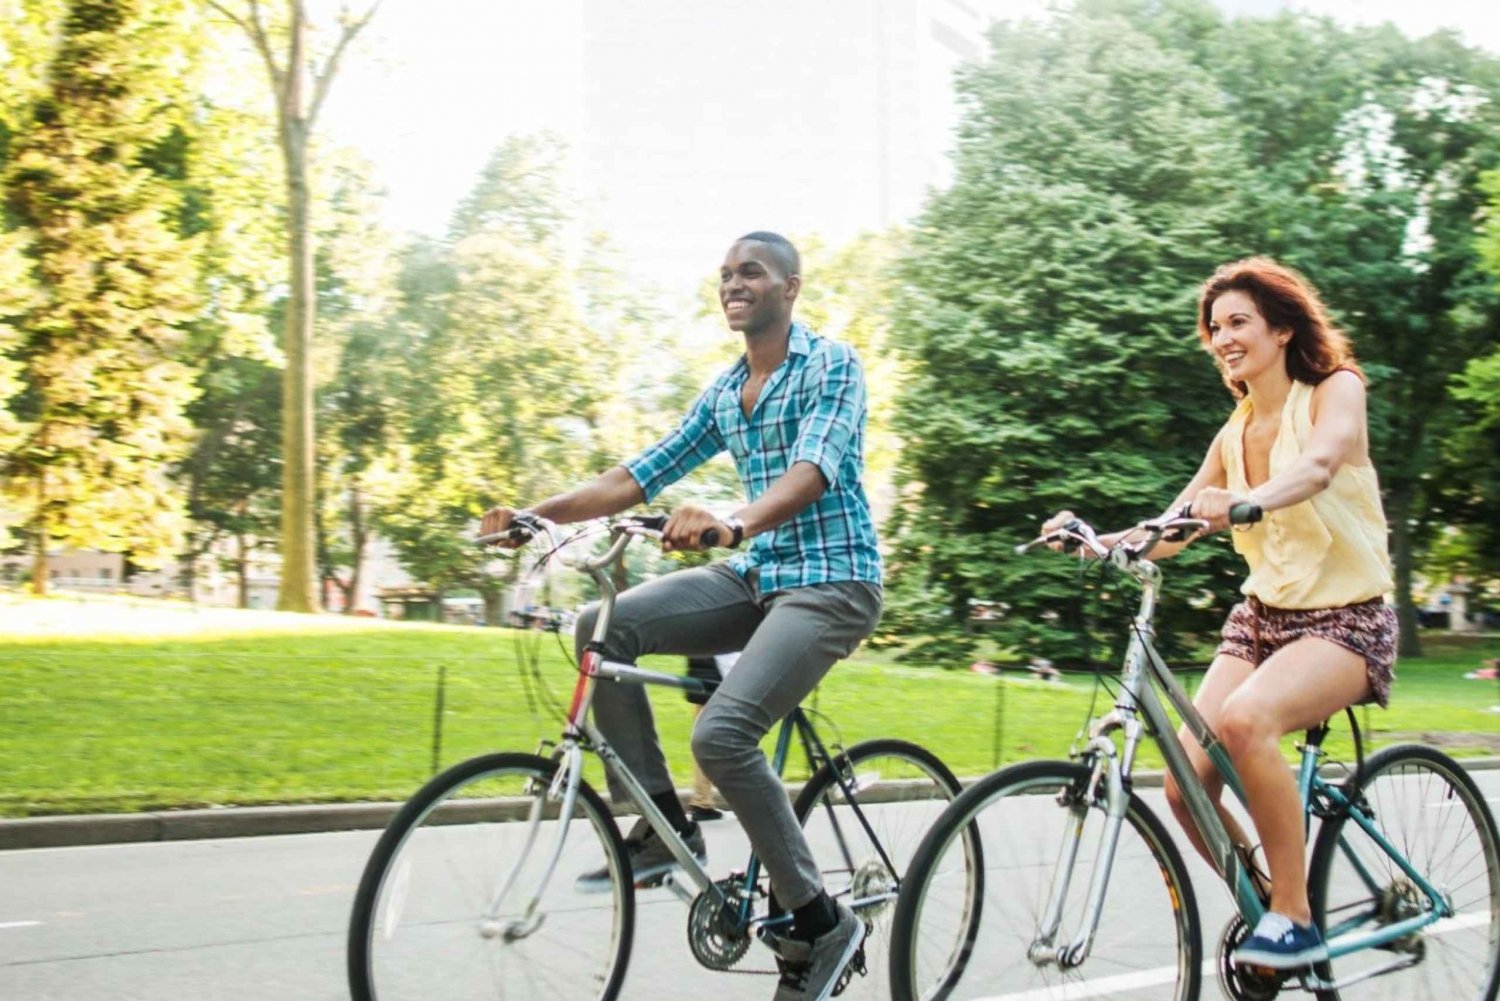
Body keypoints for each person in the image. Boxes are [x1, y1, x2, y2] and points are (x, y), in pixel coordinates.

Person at [478, 231, 883, 1001]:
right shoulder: (728, 391)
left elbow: (812, 470)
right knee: (598, 629)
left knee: (722, 734)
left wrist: (733, 519)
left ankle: (819, 919)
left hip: (833, 582)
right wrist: (534, 513)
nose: (735, 283)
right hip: (758, 576)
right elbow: (639, 474)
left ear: (790, 287)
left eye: (752, 272)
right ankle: (661, 822)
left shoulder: (831, 364)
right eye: (726, 274)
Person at [1043, 258, 1396, 970]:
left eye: (1239, 321)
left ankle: (1297, 919)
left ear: (1281, 327)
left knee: (1244, 722)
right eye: (1215, 327)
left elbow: (1321, 465)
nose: (1223, 337)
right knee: (1184, 782)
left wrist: (1248, 500)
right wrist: (1097, 542)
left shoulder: (1335, 390)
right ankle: (1268, 903)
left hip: (1347, 620)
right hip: (1263, 620)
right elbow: (1171, 526)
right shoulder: (1234, 430)